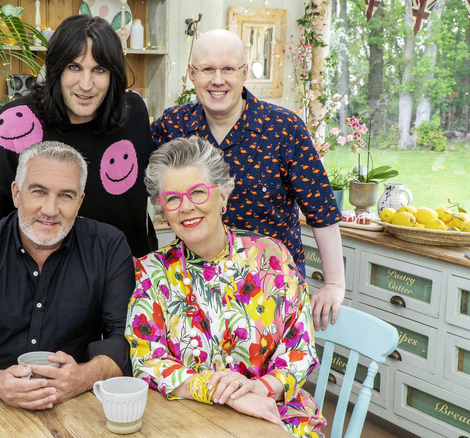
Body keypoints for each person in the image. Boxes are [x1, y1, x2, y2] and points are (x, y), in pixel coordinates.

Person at [126, 136, 325, 437]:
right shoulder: (152, 272)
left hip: (275, 414)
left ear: (222, 196)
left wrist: (258, 389)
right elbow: (147, 359)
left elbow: (300, 347)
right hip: (192, 420)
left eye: (198, 193)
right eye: (172, 199)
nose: (186, 207)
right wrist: (227, 394)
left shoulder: (271, 256)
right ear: (162, 210)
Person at [0, 141, 134, 410]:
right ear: (17, 193)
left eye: (66, 195)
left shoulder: (109, 247)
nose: (51, 210)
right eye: (39, 191)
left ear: (80, 202)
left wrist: (84, 377)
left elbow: (128, 340)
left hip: (74, 403)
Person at [152, 29, 344, 330]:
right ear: (192, 74)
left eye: (228, 69)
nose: (218, 80)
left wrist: (334, 283)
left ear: (243, 72)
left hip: (273, 287)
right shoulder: (173, 125)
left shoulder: (283, 128)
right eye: (207, 70)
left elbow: (322, 209)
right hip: (196, 290)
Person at [0, 14, 157, 257]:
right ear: (56, 69)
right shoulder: (15, 124)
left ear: (113, 74)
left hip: (128, 273)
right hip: (39, 282)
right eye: (74, 67)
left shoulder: (133, 112)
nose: (86, 83)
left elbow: (140, 206)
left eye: (99, 69)